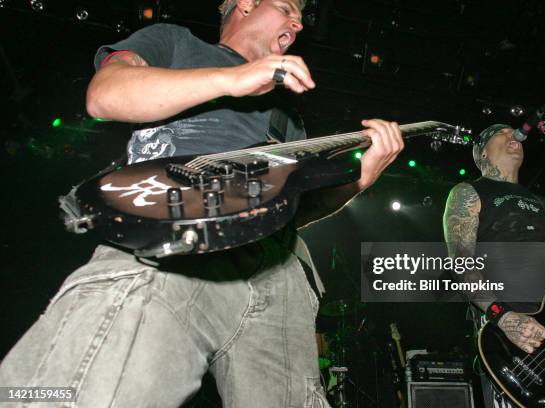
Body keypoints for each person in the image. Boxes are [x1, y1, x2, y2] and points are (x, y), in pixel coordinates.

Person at [0, 1, 404, 406]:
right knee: (92, 386)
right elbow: (105, 96)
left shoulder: (287, 120)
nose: (297, 23)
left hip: (275, 271)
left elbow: (292, 213)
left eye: (299, 16)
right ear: (244, 4)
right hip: (175, 242)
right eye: (286, 7)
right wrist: (232, 78)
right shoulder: (176, 42)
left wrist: (360, 180)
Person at [443, 124, 545, 407]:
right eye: (503, 133)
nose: (515, 136)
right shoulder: (468, 192)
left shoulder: (541, 204)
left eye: (515, 133)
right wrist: (504, 317)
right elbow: (461, 266)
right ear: (481, 151)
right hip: (509, 339)